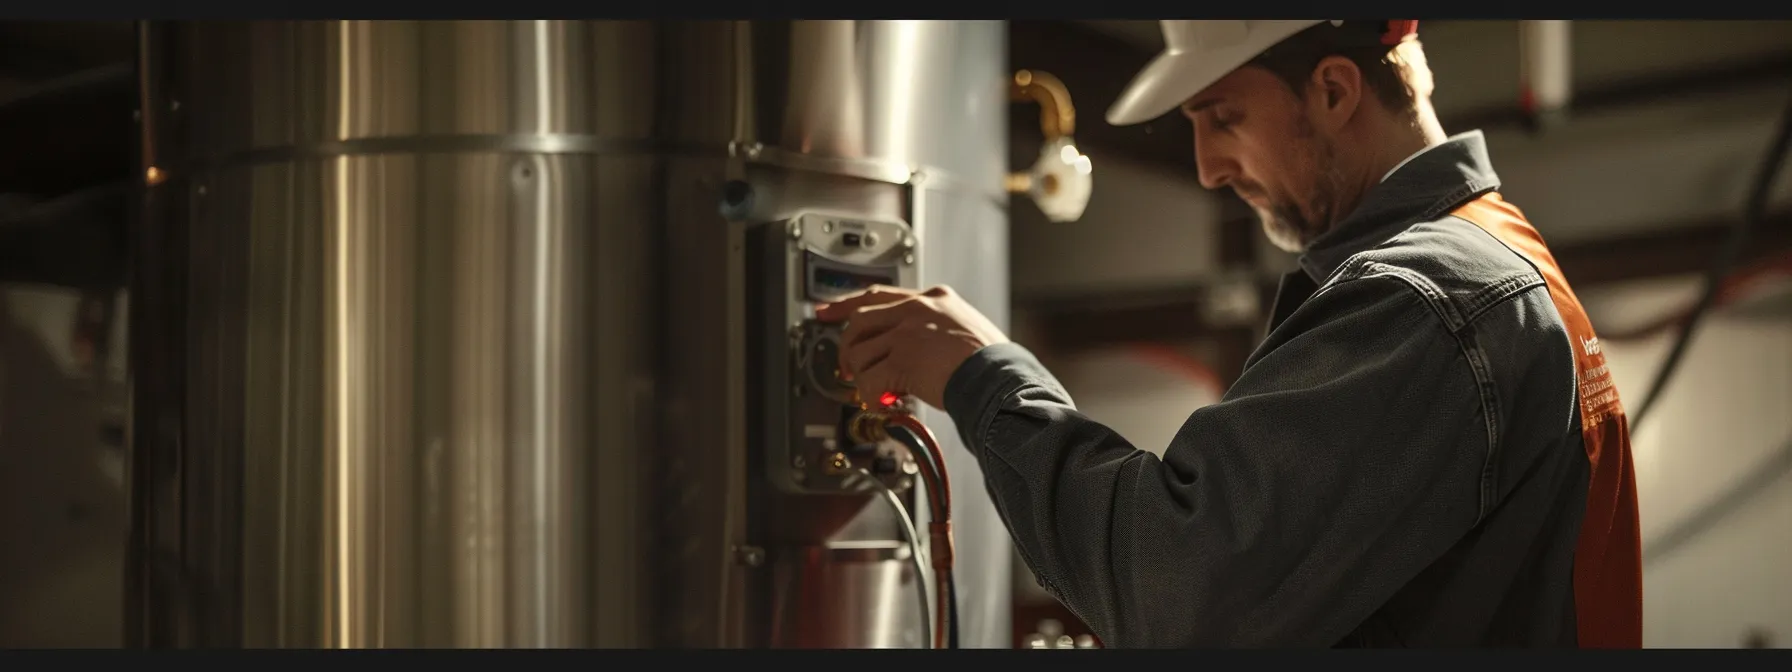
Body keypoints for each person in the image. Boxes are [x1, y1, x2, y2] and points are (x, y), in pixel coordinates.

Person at [815, 20, 1642, 648]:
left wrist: (983, 379)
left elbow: (1178, 591)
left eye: (1223, 117)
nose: (1207, 165)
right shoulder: (1493, 249)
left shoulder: (1424, 300)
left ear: (1333, 90)